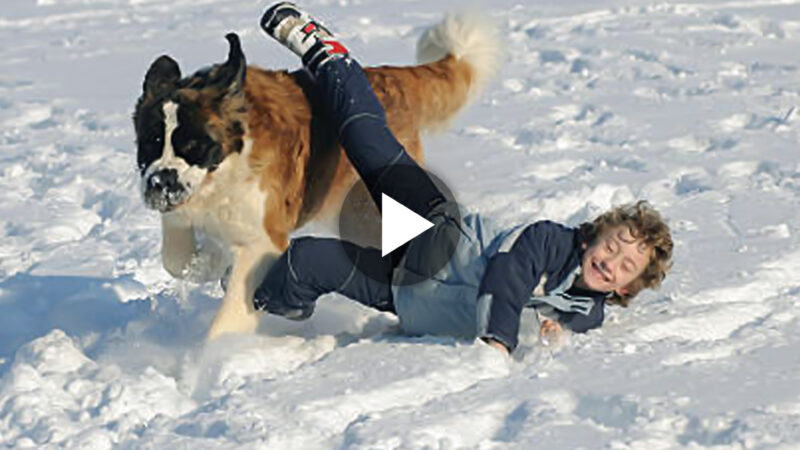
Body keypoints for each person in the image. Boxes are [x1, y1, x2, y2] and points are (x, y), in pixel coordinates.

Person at [252, 2, 674, 354]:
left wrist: (552, 333)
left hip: (403, 292)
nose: (611, 261)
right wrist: (499, 342)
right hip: (433, 224)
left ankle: (258, 307)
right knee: (365, 140)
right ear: (591, 236)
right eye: (613, 245)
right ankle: (329, 57)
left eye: (626, 265)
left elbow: (567, 327)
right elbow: (507, 277)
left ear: (626, 288)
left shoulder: (587, 313)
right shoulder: (547, 241)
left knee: (304, 263)